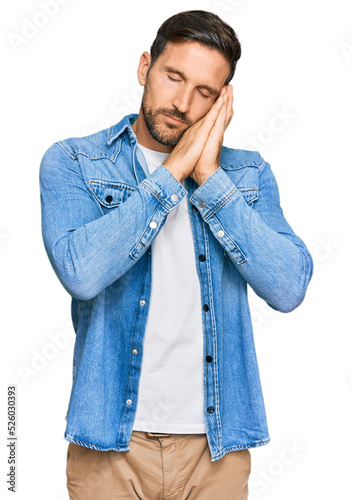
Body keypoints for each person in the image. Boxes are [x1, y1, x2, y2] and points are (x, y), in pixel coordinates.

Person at [39, 9, 314, 500]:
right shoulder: (74, 161)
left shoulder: (247, 176)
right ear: (145, 67)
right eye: (173, 77)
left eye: (205, 92)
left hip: (217, 449)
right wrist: (176, 170)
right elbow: (81, 272)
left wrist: (209, 178)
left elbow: (289, 286)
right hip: (109, 446)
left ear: (223, 98)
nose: (183, 103)